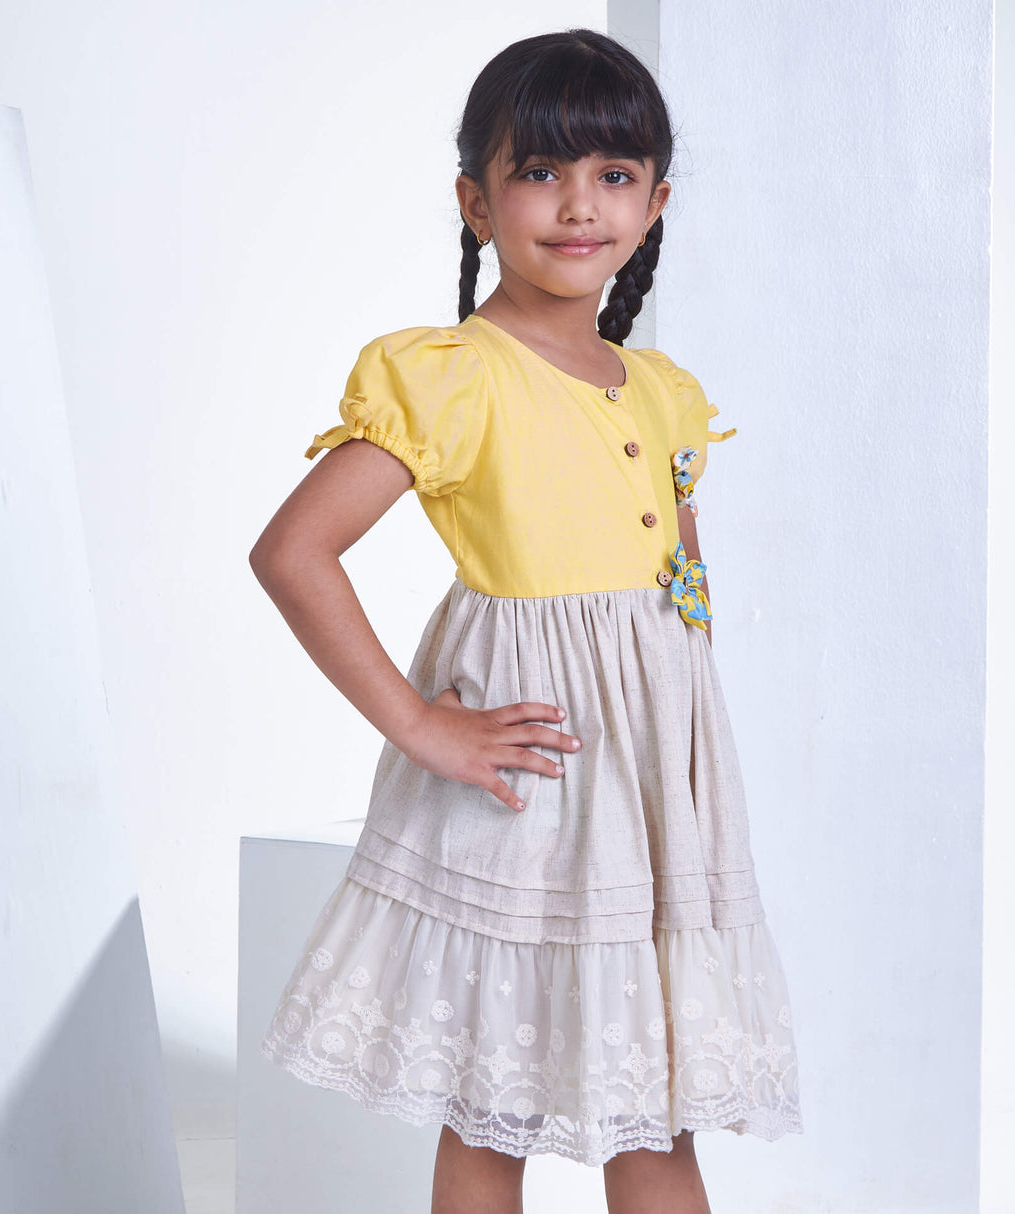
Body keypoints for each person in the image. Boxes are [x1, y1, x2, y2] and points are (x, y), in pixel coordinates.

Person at [251, 27, 803, 1214]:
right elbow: (294, 550)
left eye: (611, 176)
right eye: (539, 172)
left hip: (647, 789)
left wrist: (677, 695)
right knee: (487, 1090)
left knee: (649, 1100)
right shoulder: (451, 373)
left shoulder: (658, 391)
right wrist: (422, 726)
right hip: (533, 778)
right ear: (475, 199)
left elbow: (674, 570)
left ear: (654, 203)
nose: (575, 205)